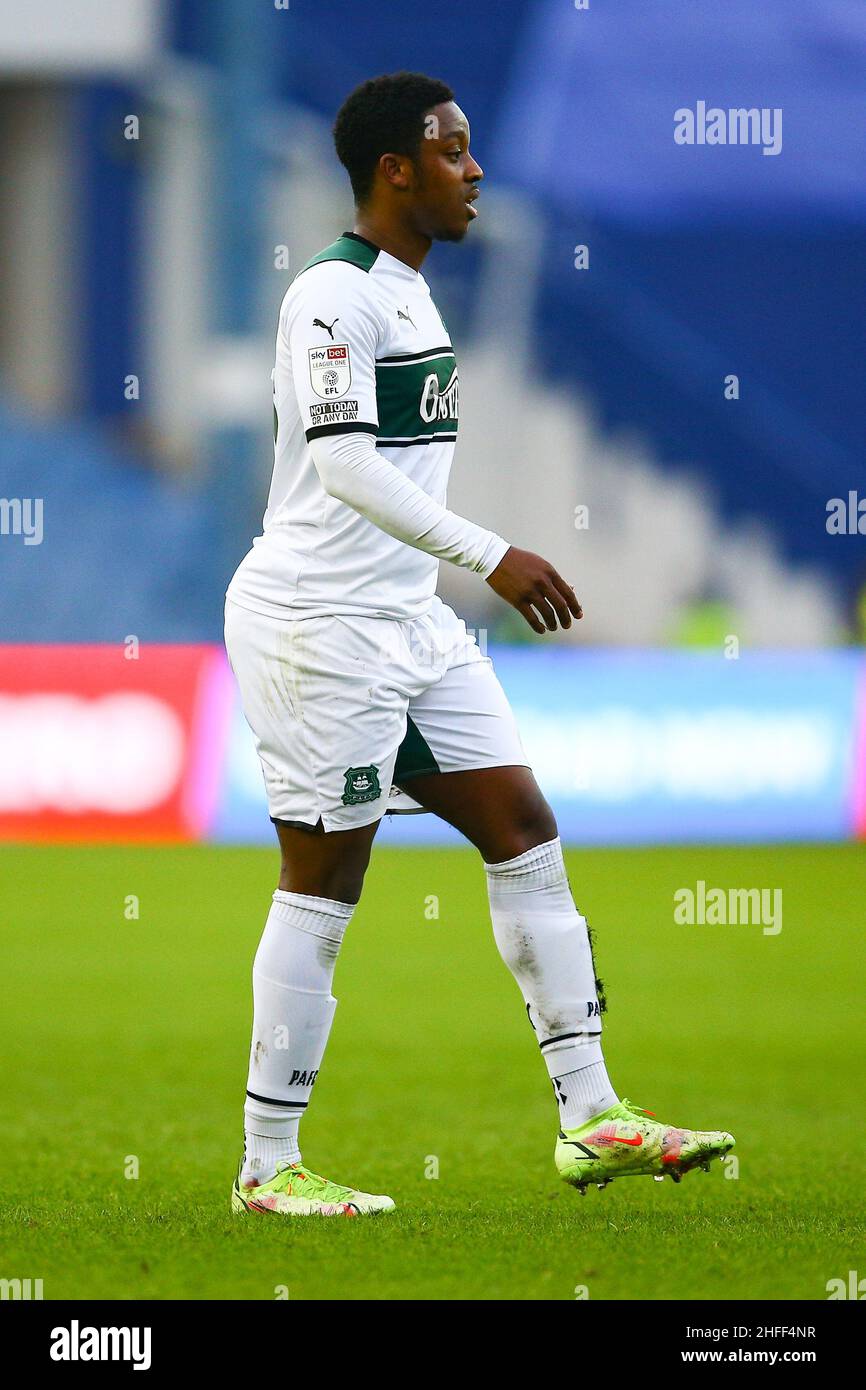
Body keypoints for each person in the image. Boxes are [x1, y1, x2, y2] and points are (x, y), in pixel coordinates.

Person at [224, 71, 733, 1217]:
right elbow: (345, 462)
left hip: (407, 619)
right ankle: (267, 1165)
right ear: (394, 169)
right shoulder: (330, 295)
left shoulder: (411, 291)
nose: (475, 170)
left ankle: (591, 1117)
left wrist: (453, 576)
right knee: (325, 879)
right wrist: (492, 553)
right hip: (320, 622)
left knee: (521, 828)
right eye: (453, 151)